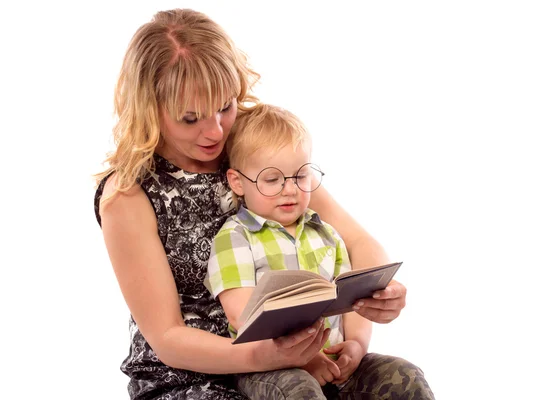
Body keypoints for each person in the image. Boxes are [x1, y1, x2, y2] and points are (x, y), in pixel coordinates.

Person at [93, 8, 434, 400]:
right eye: (190, 118)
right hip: (188, 378)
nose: (216, 130)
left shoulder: (251, 144)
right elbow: (168, 338)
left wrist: (379, 291)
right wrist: (268, 356)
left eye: (225, 106)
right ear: (149, 109)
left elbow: (355, 240)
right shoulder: (128, 195)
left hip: (303, 358)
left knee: (404, 383)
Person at [204, 103, 428, 399]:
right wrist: (302, 357)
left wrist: (356, 346)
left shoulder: (326, 233)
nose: (290, 189)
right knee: (299, 391)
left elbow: (354, 299)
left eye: (300, 176)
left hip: (335, 363)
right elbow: (243, 316)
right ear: (238, 182)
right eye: (273, 179)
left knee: (405, 375)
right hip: (270, 369)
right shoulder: (234, 238)